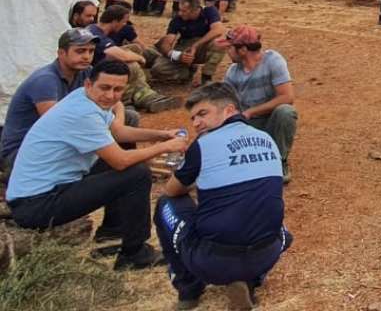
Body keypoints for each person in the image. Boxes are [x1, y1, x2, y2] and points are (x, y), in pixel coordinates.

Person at [5, 60, 187, 270]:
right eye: (105, 87)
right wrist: (165, 147)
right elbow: (120, 161)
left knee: (121, 164)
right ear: (89, 85)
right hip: (37, 204)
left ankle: (112, 234)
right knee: (136, 174)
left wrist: (163, 135)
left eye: (118, 89)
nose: (110, 95)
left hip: (44, 192)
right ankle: (134, 254)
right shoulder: (82, 114)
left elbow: (118, 132)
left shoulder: (83, 99)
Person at [155, 82, 292, 310]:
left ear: (229, 110)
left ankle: (189, 290)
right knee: (277, 227)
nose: (197, 123)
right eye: (193, 118)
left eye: (202, 113)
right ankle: (250, 279)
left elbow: (171, 191)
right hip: (268, 253)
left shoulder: (203, 145)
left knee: (165, 203)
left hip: (212, 262)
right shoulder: (268, 139)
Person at [1, 28, 95, 169]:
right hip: (22, 151)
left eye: (91, 51)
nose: (87, 56)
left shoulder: (85, 72)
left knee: (128, 117)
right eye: (80, 51)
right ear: (61, 53)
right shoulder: (45, 80)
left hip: (53, 143)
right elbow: (55, 125)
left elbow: (111, 104)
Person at [222, 25, 297, 184]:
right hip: (247, 127)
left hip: (269, 121)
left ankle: (279, 160)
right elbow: (224, 102)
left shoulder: (273, 61)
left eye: (230, 48)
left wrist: (251, 112)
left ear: (242, 50)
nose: (227, 52)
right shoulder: (232, 72)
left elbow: (287, 97)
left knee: (286, 111)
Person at [88, 6, 181, 113]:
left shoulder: (94, 28)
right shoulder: (98, 34)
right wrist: (140, 58)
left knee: (134, 49)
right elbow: (120, 55)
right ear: (114, 21)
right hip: (95, 71)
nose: (124, 25)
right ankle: (140, 97)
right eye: (123, 22)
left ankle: (140, 94)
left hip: (99, 63)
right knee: (131, 64)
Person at [151, 0, 228, 87]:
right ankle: (186, 73)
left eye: (184, 11)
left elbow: (218, 30)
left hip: (202, 47)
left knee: (220, 43)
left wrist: (195, 45)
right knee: (158, 69)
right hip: (184, 47)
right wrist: (177, 56)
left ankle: (206, 77)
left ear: (195, 10)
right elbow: (167, 43)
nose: (180, 13)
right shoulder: (177, 20)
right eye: (180, 10)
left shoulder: (209, 11)